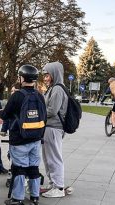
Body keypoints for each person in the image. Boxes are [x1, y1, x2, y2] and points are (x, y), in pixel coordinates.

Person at [0, 65, 45, 205]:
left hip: (19, 139)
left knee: (19, 168)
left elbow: (5, 114)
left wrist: (0, 112)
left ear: (22, 78)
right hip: (36, 138)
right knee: (33, 167)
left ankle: (17, 198)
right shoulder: (39, 95)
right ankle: (35, 196)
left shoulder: (17, 95)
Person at [41, 62, 68, 198]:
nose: (45, 78)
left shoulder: (57, 89)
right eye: (44, 75)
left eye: (47, 75)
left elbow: (52, 110)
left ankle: (59, 187)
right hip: (49, 127)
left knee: (54, 158)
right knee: (47, 158)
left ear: (54, 74)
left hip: (53, 127)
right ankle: (53, 183)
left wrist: (37, 114)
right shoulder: (52, 88)